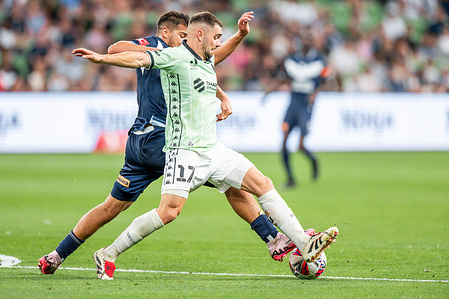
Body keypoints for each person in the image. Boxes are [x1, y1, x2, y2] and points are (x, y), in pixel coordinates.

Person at [73, 11, 338, 280]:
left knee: (263, 184)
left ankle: (304, 244)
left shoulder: (207, 59)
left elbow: (223, 52)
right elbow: (141, 58)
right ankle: (108, 253)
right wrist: (102, 58)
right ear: (200, 35)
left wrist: (241, 35)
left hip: (213, 149)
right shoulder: (175, 57)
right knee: (168, 212)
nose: (219, 43)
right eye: (216, 37)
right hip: (183, 150)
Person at [263, 30, 332, 188]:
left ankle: (312, 159)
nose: (306, 42)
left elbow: (329, 81)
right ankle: (290, 179)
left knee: (300, 144)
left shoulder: (319, 60)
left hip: (306, 105)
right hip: (293, 103)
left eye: (309, 39)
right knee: (284, 139)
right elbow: (282, 78)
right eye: (304, 40)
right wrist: (269, 90)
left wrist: (316, 93)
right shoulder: (292, 60)